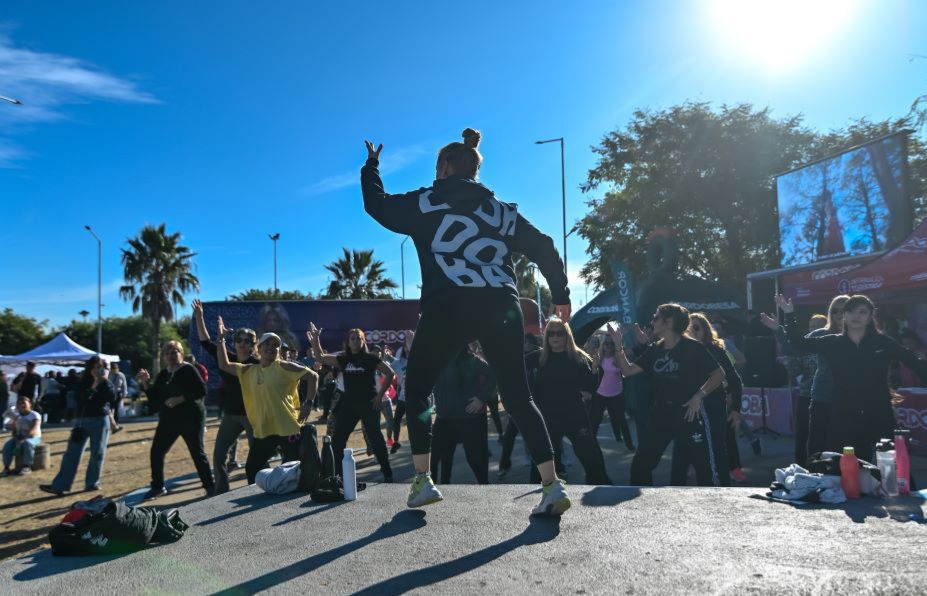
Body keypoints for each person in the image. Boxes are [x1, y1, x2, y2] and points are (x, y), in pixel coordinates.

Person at [361, 129, 572, 516]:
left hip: (449, 303)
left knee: (418, 389)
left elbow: (377, 205)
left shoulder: (426, 201)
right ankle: (552, 485)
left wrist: (371, 166)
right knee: (519, 396)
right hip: (500, 304)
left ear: (444, 167)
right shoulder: (501, 210)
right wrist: (561, 294)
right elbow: (543, 245)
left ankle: (423, 480)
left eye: (436, 167)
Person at [778, 294, 927, 462]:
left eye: (862, 312)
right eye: (851, 311)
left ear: (870, 317)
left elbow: (915, 363)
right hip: (844, 413)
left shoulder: (883, 342)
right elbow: (798, 343)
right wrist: (789, 314)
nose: (856, 316)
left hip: (879, 411)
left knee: (893, 464)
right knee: (844, 464)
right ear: (845, 316)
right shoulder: (833, 342)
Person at [612, 304, 726, 486]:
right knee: (640, 467)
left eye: (656, 317)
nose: (652, 321)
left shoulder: (693, 347)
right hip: (661, 414)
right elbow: (627, 370)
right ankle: (642, 503)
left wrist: (699, 396)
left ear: (669, 322)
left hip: (689, 414)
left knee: (704, 469)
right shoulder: (655, 349)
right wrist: (618, 346)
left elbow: (719, 374)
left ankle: (712, 502)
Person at [215, 317, 319, 485]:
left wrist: (308, 403)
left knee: (294, 469)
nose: (271, 347)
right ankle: (259, 498)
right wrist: (221, 339)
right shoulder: (249, 370)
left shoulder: (284, 366)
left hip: (287, 427)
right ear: (259, 348)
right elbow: (224, 365)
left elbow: (313, 376)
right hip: (264, 429)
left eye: (275, 345)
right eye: (267, 344)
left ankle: (294, 497)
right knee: (252, 468)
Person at [526, 320, 612, 485]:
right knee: (542, 460)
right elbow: (514, 367)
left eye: (560, 333)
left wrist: (595, 369)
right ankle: (538, 493)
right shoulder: (538, 357)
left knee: (591, 457)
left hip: (575, 416)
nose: (555, 337)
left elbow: (590, 386)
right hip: (548, 418)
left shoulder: (578, 357)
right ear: (546, 337)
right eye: (551, 333)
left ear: (567, 336)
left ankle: (600, 488)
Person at [308, 326, 394, 482]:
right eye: (352, 338)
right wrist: (315, 339)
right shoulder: (343, 359)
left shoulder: (370, 359)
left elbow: (390, 373)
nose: (356, 341)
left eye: (359, 338)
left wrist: (380, 396)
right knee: (337, 440)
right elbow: (320, 357)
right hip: (349, 406)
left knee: (376, 438)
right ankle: (338, 476)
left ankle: (387, 472)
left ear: (363, 341)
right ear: (348, 342)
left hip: (369, 405)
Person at [192, 299, 260, 494]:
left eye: (247, 341)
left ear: (253, 345)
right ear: (234, 342)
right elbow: (205, 342)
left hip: (252, 415)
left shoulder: (257, 364)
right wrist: (199, 317)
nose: (242, 343)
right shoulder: (226, 357)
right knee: (219, 456)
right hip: (230, 414)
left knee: (257, 456)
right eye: (239, 339)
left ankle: (258, 488)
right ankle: (221, 492)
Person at [670, 313, 742, 487]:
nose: (692, 331)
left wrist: (736, 409)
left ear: (705, 331)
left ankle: (722, 487)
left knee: (716, 447)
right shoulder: (679, 351)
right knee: (683, 447)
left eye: (696, 328)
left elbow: (735, 380)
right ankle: (678, 487)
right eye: (688, 328)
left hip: (713, 406)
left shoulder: (717, 351)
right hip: (688, 407)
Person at [136, 341, 214, 500]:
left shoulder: (188, 369)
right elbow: (154, 398)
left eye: (174, 352)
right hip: (169, 419)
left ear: (181, 354)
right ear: (164, 357)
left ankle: (210, 486)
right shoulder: (163, 374)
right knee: (156, 451)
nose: (171, 355)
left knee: (197, 452)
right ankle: (157, 487)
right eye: (167, 353)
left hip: (191, 417)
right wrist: (145, 383)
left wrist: (181, 398)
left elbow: (201, 390)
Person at [39, 356, 116, 495]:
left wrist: (103, 381)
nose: (97, 370)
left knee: (98, 453)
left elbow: (112, 398)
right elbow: (81, 399)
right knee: (72, 453)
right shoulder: (82, 382)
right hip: (82, 421)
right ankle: (60, 485)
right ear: (89, 369)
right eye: (95, 367)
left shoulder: (106, 383)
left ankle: (92, 483)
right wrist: (94, 385)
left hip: (100, 419)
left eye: (100, 367)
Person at [760, 311, 825, 468]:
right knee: (803, 434)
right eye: (812, 326)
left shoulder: (831, 342)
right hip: (807, 395)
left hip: (827, 397)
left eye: (818, 326)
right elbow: (795, 369)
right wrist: (790, 364)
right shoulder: (805, 344)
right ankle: (801, 467)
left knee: (823, 435)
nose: (814, 329)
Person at [430, 343, 493, 484]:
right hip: (444, 419)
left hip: (469, 419)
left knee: (476, 460)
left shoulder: (470, 358)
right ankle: (435, 489)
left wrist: (481, 399)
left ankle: (486, 489)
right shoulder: (436, 359)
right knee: (434, 458)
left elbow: (493, 375)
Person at [589, 333, 635, 452]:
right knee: (595, 420)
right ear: (602, 345)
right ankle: (590, 445)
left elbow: (626, 371)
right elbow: (593, 375)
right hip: (600, 393)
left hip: (616, 393)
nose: (609, 346)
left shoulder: (618, 357)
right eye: (606, 343)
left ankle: (629, 444)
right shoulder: (599, 358)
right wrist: (594, 366)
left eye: (611, 343)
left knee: (621, 420)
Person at [2, 396, 42, 476]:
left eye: (24, 403)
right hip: (19, 437)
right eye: (19, 404)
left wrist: (22, 440)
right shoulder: (17, 416)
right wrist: (16, 438)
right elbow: (14, 431)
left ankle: (26, 467)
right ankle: (6, 467)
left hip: (33, 437)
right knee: (7, 445)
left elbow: (33, 431)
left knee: (27, 444)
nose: (22, 405)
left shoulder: (35, 415)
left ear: (29, 404)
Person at [388, 330, 413, 453]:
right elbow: (387, 369)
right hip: (403, 396)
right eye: (407, 343)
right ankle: (396, 442)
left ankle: (416, 442)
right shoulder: (398, 363)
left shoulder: (417, 358)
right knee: (396, 420)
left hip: (416, 397)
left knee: (413, 422)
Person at [108, 362, 127, 433]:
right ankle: (111, 424)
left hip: (118, 394)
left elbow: (124, 385)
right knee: (109, 409)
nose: (115, 370)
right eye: (113, 369)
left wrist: (124, 393)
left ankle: (116, 423)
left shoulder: (121, 375)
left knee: (116, 409)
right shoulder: (108, 375)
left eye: (116, 369)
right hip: (109, 394)